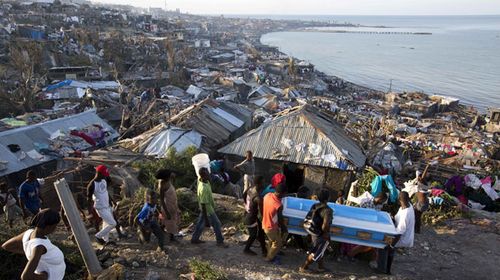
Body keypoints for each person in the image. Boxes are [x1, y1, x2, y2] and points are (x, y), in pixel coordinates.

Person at [2, 208, 65, 280]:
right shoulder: (39, 246)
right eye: (55, 226)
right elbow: (25, 277)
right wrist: (43, 277)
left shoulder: (28, 233)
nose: (55, 229)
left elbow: (6, 246)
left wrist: (29, 253)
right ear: (48, 227)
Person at [191, 168, 228, 247]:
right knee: (217, 224)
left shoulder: (202, 180)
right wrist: (207, 219)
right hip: (208, 209)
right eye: (207, 174)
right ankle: (220, 242)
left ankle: (194, 238)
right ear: (204, 176)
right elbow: (204, 204)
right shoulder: (203, 188)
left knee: (200, 224)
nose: (209, 174)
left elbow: (203, 176)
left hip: (206, 208)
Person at [380, 191, 415, 272]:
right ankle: (385, 268)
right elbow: (397, 217)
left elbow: (399, 234)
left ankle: (386, 270)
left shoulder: (406, 214)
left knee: (385, 245)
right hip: (400, 233)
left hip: (402, 238)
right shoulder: (407, 205)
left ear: (399, 200)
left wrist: (391, 245)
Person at [300, 188, 333, 273]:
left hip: (314, 231)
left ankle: (321, 267)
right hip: (321, 234)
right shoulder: (328, 210)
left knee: (319, 250)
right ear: (328, 198)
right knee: (316, 252)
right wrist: (326, 234)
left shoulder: (315, 205)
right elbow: (325, 225)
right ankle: (304, 267)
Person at [87, 165, 117, 245]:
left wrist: (112, 201)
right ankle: (98, 236)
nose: (105, 176)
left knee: (106, 223)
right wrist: (89, 212)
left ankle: (105, 241)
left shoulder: (103, 180)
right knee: (113, 223)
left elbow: (105, 192)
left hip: (107, 205)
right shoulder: (92, 184)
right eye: (104, 174)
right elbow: (89, 199)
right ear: (99, 173)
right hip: (100, 208)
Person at [262, 182, 287, 264]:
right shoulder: (278, 205)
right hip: (271, 227)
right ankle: (269, 258)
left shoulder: (267, 195)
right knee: (277, 243)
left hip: (265, 223)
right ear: (281, 193)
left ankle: (271, 253)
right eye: (284, 194)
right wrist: (284, 228)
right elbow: (280, 219)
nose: (284, 196)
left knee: (271, 240)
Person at [243, 176, 267, 256]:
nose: (264, 184)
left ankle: (264, 249)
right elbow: (262, 211)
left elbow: (244, 195)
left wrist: (246, 205)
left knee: (260, 233)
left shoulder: (250, 188)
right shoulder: (258, 198)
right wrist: (264, 219)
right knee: (254, 235)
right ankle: (246, 249)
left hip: (248, 213)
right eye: (263, 182)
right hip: (251, 217)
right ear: (259, 184)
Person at [157, 169, 181, 242]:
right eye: (169, 176)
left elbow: (173, 175)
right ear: (165, 177)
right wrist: (166, 212)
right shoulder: (162, 184)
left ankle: (165, 235)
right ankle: (170, 237)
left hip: (173, 205)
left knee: (171, 222)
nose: (170, 176)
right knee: (169, 222)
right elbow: (161, 200)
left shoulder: (168, 181)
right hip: (167, 206)